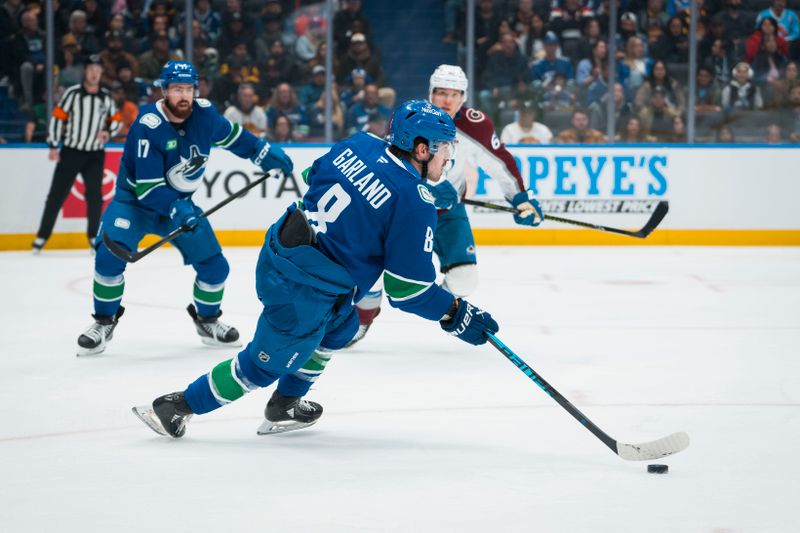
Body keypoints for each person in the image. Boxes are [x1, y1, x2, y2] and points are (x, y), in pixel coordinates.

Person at [132, 100, 500, 438]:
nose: (448, 158)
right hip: (305, 291)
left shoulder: (360, 143)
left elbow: (313, 174)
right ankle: (177, 407)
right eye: (444, 149)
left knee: (343, 328)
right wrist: (456, 313)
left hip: (283, 252)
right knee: (261, 366)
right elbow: (408, 291)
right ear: (421, 149)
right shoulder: (414, 203)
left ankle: (285, 405)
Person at [75, 61, 293, 356]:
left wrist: (262, 153)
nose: (183, 95)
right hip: (134, 204)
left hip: (180, 207)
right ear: (164, 91)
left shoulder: (205, 115)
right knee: (108, 258)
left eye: (188, 89)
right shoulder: (147, 125)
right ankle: (103, 322)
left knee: (216, 267)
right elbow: (148, 189)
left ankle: (207, 320)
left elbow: (237, 139)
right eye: (176, 89)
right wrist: (179, 209)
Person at [349, 65, 542, 345]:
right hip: (403, 212)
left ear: (464, 97)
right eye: (441, 93)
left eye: (455, 94)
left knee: (465, 280)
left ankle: (436, 302)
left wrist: (520, 198)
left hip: (448, 213)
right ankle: (362, 317)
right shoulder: (411, 118)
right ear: (431, 93)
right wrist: (427, 189)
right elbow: (391, 165)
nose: (447, 100)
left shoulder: (475, 125)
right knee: (366, 273)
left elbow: (500, 162)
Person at [33, 55, 121, 253]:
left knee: (95, 196)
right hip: (72, 151)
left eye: (98, 70)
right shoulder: (72, 94)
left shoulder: (106, 97)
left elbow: (116, 120)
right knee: (56, 195)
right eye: (91, 69)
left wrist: (109, 131)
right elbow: (57, 119)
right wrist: (54, 145)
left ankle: (93, 237)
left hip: (95, 154)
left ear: (101, 73)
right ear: (85, 72)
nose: (94, 74)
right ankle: (42, 236)